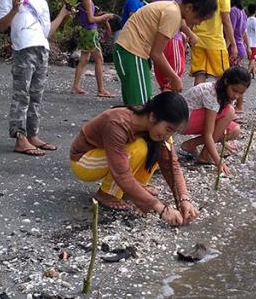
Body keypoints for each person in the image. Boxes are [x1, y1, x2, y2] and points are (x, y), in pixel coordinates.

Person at [70, 92, 199, 226]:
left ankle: (135, 188)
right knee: (139, 148)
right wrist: (160, 208)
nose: (168, 135)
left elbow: (171, 165)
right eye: (168, 129)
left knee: (161, 147)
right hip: (84, 161)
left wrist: (184, 198)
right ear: (153, 116)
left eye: (172, 131)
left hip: (109, 158)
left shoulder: (155, 129)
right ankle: (106, 194)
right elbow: (121, 173)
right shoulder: (117, 123)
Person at [0, 0, 73, 156]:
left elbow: (46, 31)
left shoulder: (41, 1)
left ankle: (33, 134)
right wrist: (14, 9)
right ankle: (20, 137)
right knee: (21, 94)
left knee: (36, 96)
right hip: (23, 48)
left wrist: (63, 14)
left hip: (42, 49)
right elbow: (1, 26)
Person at [114, 0, 218, 106]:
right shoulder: (173, 15)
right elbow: (156, 53)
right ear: (189, 7)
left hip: (131, 51)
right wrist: (174, 78)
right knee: (140, 108)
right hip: (132, 52)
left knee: (134, 106)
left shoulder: (173, 9)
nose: (199, 23)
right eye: (199, 18)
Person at [180, 66, 251, 176]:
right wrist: (219, 162)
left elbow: (219, 124)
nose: (236, 95)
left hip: (194, 119)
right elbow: (209, 133)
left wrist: (223, 142)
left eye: (240, 93)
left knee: (234, 130)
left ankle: (191, 145)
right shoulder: (212, 93)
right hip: (182, 121)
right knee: (230, 112)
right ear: (226, 82)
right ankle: (204, 155)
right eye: (234, 90)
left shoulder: (225, 93)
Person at [71, 0, 115, 97]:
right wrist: (105, 17)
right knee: (99, 60)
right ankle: (101, 89)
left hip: (85, 32)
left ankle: (75, 86)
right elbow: (91, 19)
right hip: (90, 32)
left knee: (84, 59)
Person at [152, 0, 197, 91]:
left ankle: (163, 104)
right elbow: (181, 19)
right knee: (174, 76)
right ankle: (169, 106)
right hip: (173, 39)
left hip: (157, 39)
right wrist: (191, 35)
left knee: (163, 78)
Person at [190, 0, 238, 85]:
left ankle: (197, 100)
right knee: (223, 75)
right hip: (214, 41)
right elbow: (226, 22)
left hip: (197, 38)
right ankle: (225, 100)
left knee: (199, 73)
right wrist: (233, 45)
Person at [226, 0, 250, 114]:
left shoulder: (233, 11)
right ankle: (238, 106)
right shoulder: (243, 12)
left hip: (233, 48)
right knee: (237, 78)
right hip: (241, 48)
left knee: (231, 79)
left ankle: (235, 106)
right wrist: (248, 47)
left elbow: (231, 30)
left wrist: (226, 48)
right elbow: (244, 32)